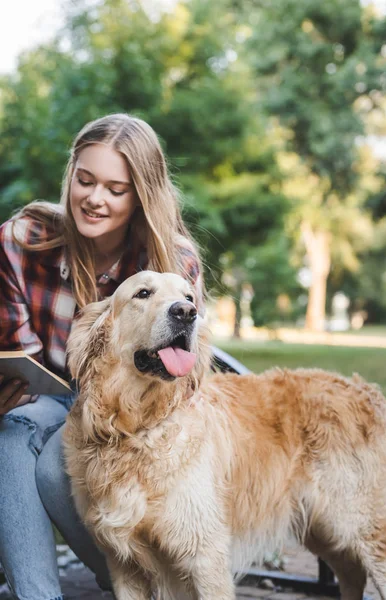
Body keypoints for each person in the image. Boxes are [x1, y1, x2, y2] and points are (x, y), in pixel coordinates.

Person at [0, 113, 203, 600]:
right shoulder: (21, 239)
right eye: (84, 180)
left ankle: (137, 584)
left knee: (54, 467)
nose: (94, 198)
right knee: (12, 434)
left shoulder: (173, 263)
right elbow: (17, 356)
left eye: (116, 189)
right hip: (45, 398)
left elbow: (183, 382)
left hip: (130, 408)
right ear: (70, 172)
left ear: (141, 195)